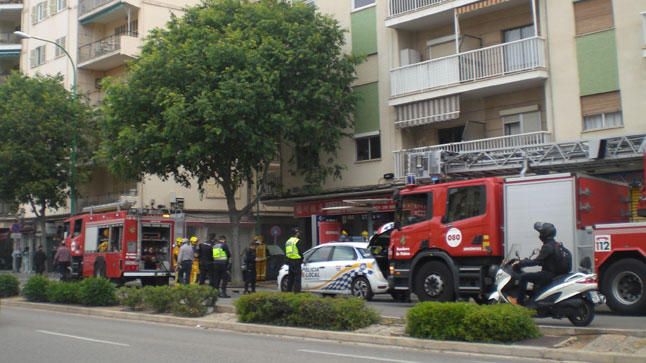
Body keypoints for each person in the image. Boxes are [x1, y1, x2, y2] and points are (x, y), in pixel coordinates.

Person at [514, 222, 562, 306]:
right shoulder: (555, 244)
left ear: (545, 234)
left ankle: (520, 304)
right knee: (534, 277)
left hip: (548, 274)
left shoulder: (547, 246)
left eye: (541, 232)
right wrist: (525, 261)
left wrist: (521, 263)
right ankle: (533, 299)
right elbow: (546, 260)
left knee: (523, 277)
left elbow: (537, 261)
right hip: (554, 273)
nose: (540, 235)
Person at [285, 227, 302, 293]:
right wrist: (302, 259)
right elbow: (300, 251)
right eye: (298, 233)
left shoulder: (288, 241)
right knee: (297, 278)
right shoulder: (297, 241)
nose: (298, 234)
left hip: (290, 261)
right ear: (296, 234)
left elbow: (286, 252)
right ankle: (297, 293)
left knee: (290, 278)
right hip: (297, 261)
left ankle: (288, 293)